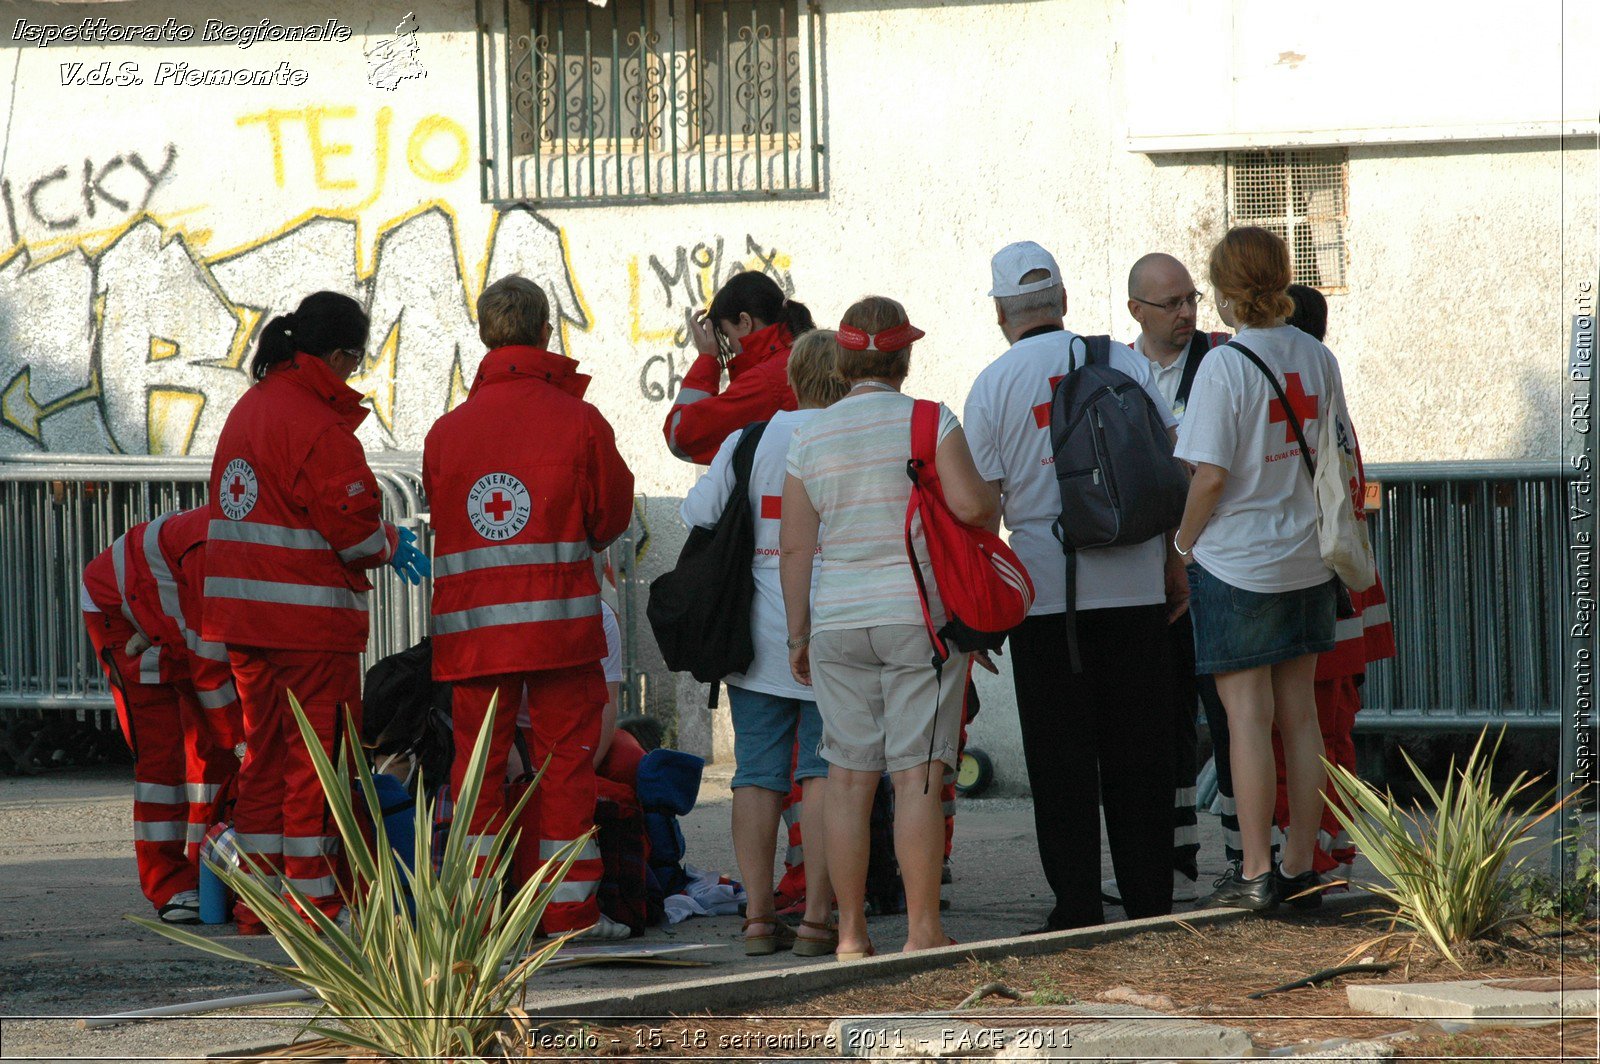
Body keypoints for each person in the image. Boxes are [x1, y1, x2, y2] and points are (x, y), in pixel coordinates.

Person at [963, 241, 1179, 932]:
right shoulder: (1124, 363)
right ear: (1062, 300)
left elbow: (980, 511)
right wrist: (1173, 563)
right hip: (1139, 588)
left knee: (1061, 762)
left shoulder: (992, 385)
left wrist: (979, 613)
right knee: (1141, 756)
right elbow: (1164, 469)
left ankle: (1078, 906)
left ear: (1001, 312)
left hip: (1044, 598)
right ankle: (1150, 900)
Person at [782, 296, 997, 958]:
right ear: (904, 356)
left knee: (847, 781)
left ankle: (848, 935)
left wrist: (798, 635)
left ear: (843, 360)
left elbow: (795, 547)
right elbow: (970, 506)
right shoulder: (931, 420)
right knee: (917, 779)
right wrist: (992, 500)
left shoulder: (807, 434)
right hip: (918, 623)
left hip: (839, 624)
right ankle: (922, 929)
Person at [203, 291, 423, 933]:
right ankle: (312, 903)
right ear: (337, 355)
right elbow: (352, 535)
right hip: (308, 628)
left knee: (264, 760)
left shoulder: (252, 408)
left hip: (244, 623)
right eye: (355, 361)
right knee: (315, 765)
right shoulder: (318, 426)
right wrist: (389, 540)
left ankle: (260, 901)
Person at [423, 275, 635, 939]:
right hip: (559, 628)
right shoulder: (580, 421)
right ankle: (569, 914)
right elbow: (610, 516)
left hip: (475, 636)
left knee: (477, 769)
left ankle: (475, 917)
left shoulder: (447, 430)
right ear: (546, 333)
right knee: (566, 766)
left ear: (486, 335)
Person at [1174, 226, 1341, 911]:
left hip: (1237, 561)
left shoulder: (1224, 364)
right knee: (1301, 716)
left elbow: (1208, 477)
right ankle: (1301, 863)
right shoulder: (1315, 354)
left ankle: (1252, 871)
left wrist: (1182, 547)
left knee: (1246, 719)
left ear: (1224, 292)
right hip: (1308, 556)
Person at [681, 329, 847, 957]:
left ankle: (755, 918)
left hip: (759, 633)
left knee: (755, 773)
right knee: (827, 770)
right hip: (837, 627)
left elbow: (697, 515)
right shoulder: (852, 435)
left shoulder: (749, 440)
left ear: (793, 382)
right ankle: (816, 917)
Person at [1122, 251, 1233, 904]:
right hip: (1150, 577)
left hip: (1215, 570)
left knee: (1228, 719)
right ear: (1136, 309)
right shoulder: (1120, 371)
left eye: (1192, 298)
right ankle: (1172, 859)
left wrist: (1185, 550)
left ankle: (1246, 856)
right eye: (1172, 303)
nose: (1188, 312)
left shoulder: (1221, 359)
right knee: (1161, 721)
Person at [82, 506, 243, 923]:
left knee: (211, 756)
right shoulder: (217, 548)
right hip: (120, 611)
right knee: (163, 758)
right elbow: (206, 657)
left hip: (157, 603)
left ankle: (207, 874)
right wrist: (238, 734)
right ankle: (169, 883)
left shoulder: (250, 535)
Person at [662, 271, 815, 464]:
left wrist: (707, 359)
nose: (731, 346)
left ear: (745, 322)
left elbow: (680, 436)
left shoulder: (766, 380)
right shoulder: (809, 354)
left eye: (727, 334)